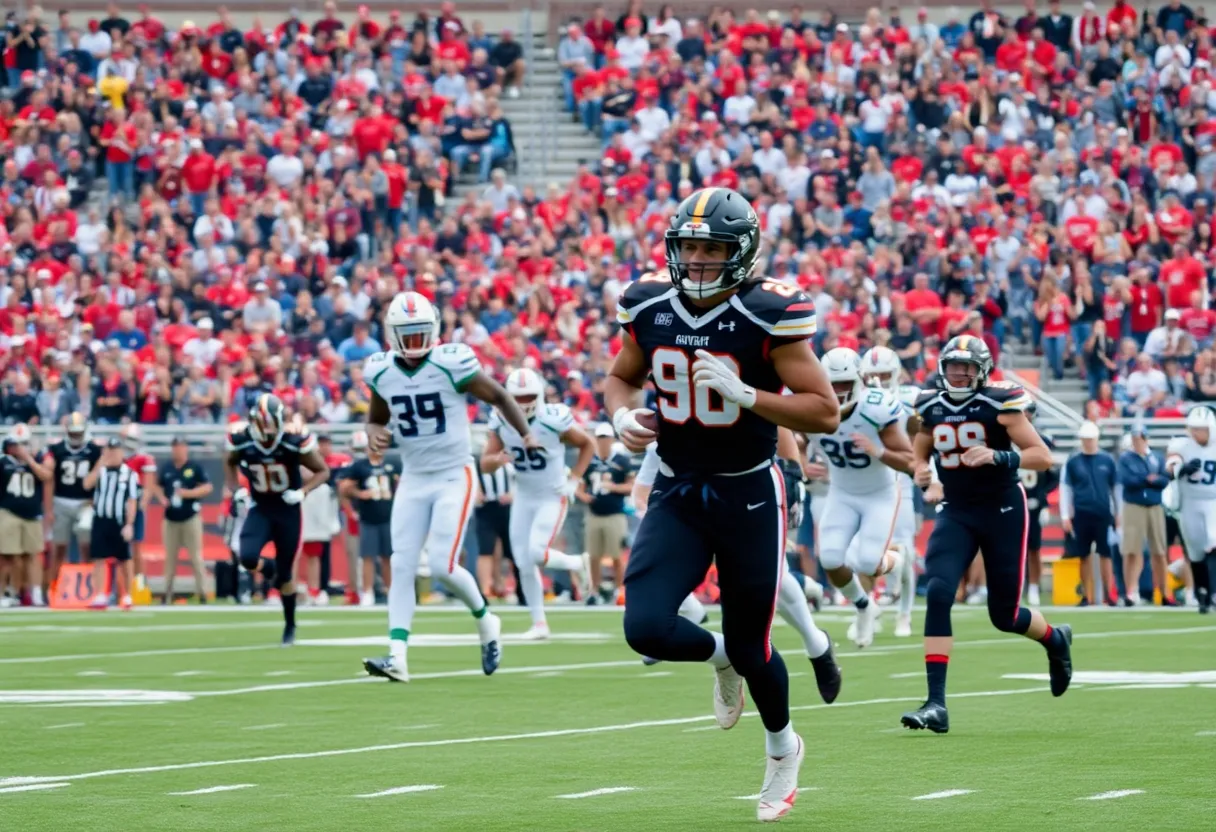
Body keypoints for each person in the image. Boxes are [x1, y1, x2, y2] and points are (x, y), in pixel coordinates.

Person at [605, 187, 840, 821]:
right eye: (688, 247)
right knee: (645, 627)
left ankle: (783, 747)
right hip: (678, 486)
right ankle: (719, 660)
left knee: (753, 643)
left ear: (741, 252)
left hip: (747, 490)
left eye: (711, 249)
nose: (697, 260)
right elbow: (621, 377)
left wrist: (749, 396)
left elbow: (824, 410)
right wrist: (621, 417)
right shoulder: (649, 305)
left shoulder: (767, 312)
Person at [360, 291, 533, 683]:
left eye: (420, 333)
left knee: (442, 565)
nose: (414, 343)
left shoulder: (451, 363)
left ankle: (486, 620)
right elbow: (376, 417)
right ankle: (397, 656)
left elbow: (499, 395)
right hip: (414, 477)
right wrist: (373, 433)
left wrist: (525, 434)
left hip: (454, 474)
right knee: (401, 563)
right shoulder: (381, 370)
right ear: (391, 334)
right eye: (407, 335)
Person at [903, 335, 1071, 735]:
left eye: (966, 368)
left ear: (982, 371)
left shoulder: (1000, 403)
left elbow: (1043, 456)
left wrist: (999, 455)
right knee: (939, 591)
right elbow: (919, 452)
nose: (958, 375)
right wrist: (922, 472)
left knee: (1004, 615)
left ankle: (1054, 639)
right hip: (957, 509)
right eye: (952, 367)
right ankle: (936, 703)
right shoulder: (931, 405)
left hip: (1002, 509)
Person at [812, 347, 915, 648]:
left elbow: (908, 460)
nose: (838, 391)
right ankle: (863, 605)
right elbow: (791, 437)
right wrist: (801, 464)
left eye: (844, 383)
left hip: (879, 494)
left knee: (869, 562)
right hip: (841, 492)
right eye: (832, 383)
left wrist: (878, 451)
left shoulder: (876, 407)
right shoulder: (812, 408)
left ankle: (897, 559)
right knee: (830, 558)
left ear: (859, 380)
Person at [481, 367, 595, 637]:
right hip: (524, 496)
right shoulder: (501, 421)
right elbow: (485, 464)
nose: (523, 403)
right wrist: (497, 460)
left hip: (551, 495)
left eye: (528, 396)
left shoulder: (552, 419)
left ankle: (577, 563)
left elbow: (587, 444)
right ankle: (539, 623)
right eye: (517, 397)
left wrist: (573, 480)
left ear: (540, 394)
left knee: (536, 553)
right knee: (523, 561)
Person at [224, 394, 331, 645]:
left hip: (287, 510)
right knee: (247, 556)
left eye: (273, 423)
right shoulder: (243, 440)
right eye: (266, 423)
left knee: (285, 578)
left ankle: (290, 625)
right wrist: (236, 490)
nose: (270, 429)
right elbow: (228, 462)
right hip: (260, 507)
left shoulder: (292, 441)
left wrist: (302, 492)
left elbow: (323, 470)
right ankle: (269, 569)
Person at [859, 344, 921, 637]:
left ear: (895, 374)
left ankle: (904, 613)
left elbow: (923, 436)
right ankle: (868, 608)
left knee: (903, 546)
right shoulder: (856, 400)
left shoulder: (910, 398)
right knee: (862, 550)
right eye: (872, 376)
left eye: (884, 375)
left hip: (901, 480)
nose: (878, 381)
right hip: (867, 481)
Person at [1060, 421, 1120, 606]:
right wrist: (1065, 515)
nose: (1088, 442)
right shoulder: (1073, 461)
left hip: (1103, 513)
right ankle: (1086, 595)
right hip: (1081, 513)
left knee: (1105, 554)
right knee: (1083, 555)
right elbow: (1066, 489)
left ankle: (1108, 594)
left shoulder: (1107, 460)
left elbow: (1115, 489)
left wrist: (1118, 513)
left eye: (1090, 439)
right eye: (1085, 439)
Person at [339, 431, 399, 607]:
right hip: (368, 518)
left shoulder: (392, 463)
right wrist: (360, 493)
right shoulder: (360, 466)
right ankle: (367, 591)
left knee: (388, 557)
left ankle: (391, 590)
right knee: (368, 557)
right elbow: (344, 488)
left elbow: (401, 485)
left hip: (388, 516)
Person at [1165, 405, 1216, 614]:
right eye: (1194, 428)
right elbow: (1171, 464)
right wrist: (1180, 469)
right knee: (1195, 552)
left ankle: (1213, 592)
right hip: (1190, 503)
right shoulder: (1182, 445)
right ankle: (1202, 593)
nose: (1197, 433)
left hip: (1213, 501)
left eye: (1201, 428)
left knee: (1213, 542)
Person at [153, 436, 213, 603]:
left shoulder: (194, 467)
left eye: (180, 447)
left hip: (190, 517)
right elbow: (156, 485)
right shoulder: (167, 468)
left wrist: (189, 493)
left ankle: (203, 593)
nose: (177, 450)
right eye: (174, 447)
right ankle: (166, 594)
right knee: (170, 558)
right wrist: (162, 498)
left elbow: (207, 487)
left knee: (196, 557)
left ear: (185, 448)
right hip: (171, 519)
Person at [46, 413, 102, 589]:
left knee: (87, 547)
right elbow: (50, 480)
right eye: (73, 432)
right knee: (59, 548)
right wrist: (49, 509)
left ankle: (89, 587)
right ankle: (53, 587)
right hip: (61, 501)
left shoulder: (94, 450)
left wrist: (95, 501)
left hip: (85, 503)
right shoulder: (56, 449)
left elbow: (99, 479)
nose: (76, 436)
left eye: (79, 432)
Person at [84, 438, 141, 610]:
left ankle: (127, 595)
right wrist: (100, 463)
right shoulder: (100, 471)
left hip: (119, 520)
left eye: (115, 450)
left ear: (122, 452)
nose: (113, 454)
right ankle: (100, 594)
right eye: (110, 450)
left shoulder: (129, 474)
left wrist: (129, 524)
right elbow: (86, 484)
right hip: (101, 519)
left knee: (125, 559)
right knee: (99, 558)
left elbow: (132, 501)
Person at [0, 424, 52, 607]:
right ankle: (6, 593)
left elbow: (46, 476)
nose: (20, 448)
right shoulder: (3, 462)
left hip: (32, 514)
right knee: (7, 556)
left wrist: (28, 459)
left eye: (23, 443)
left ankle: (36, 593)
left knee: (33, 556)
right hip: (8, 512)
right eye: (17, 444)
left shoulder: (37, 459)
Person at [1118, 425, 1170, 606]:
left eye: (1139, 439)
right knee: (1132, 550)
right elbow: (1128, 480)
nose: (1136, 442)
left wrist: (1148, 480)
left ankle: (1164, 592)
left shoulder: (1156, 457)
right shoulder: (1126, 458)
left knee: (1160, 551)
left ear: (1146, 439)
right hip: (1134, 505)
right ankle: (1131, 592)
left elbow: (1164, 479)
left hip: (1154, 505)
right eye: (1134, 439)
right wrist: (1149, 479)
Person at [1018, 405, 1059, 607]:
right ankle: (1016, 587)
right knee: (1014, 549)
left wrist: (1043, 501)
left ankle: (1033, 587)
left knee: (1034, 548)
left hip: (1034, 504)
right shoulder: (1009, 437)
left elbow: (1052, 475)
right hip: (1015, 502)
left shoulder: (1041, 439)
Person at [121, 423, 157, 594]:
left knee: (136, 548)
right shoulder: (118, 456)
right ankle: (120, 588)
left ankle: (139, 585)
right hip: (118, 506)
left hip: (134, 507)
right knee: (118, 549)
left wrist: (138, 508)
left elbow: (148, 489)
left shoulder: (144, 459)